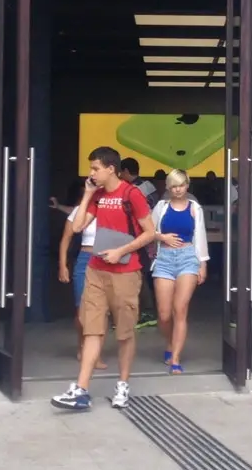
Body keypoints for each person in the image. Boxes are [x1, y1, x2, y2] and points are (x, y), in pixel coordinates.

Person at [51, 146, 156, 411]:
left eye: (96, 168)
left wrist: (121, 250)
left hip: (125, 271)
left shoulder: (132, 195)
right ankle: (81, 389)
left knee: (124, 332)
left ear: (111, 168)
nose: (92, 173)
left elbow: (150, 232)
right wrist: (87, 194)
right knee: (92, 329)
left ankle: (122, 384)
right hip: (96, 270)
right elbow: (76, 227)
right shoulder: (96, 195)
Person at [150, 169, 208, 374]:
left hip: (188, 258)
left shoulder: (195, 208)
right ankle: (170, 342)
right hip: (164, 259)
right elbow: (147, 231)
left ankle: (175, 358)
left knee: (180, 309)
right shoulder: (161, 207)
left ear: (187, 186)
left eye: (181, 185)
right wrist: (162, 237)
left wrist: (202, 264)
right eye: (174, 186)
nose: (178, 189)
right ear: (168, 187)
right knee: (164, 315)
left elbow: (200, 236)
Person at [52, 194, 107, 370]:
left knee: (102, 310)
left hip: (107, 259)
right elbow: (66, 239)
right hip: (85, 259)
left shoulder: (114, 208)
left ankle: (96, 354)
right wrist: (63, 265)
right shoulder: (80, 210)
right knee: (82, 310)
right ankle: (82, 345)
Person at [120, 158, 159, 329]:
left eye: (121, 172)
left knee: (138, 274)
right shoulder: (149, 185)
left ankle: (146, 312)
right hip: (150, 235)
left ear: (126, 171)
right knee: (143, 273)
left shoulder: (133, 190)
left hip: (139, 236)